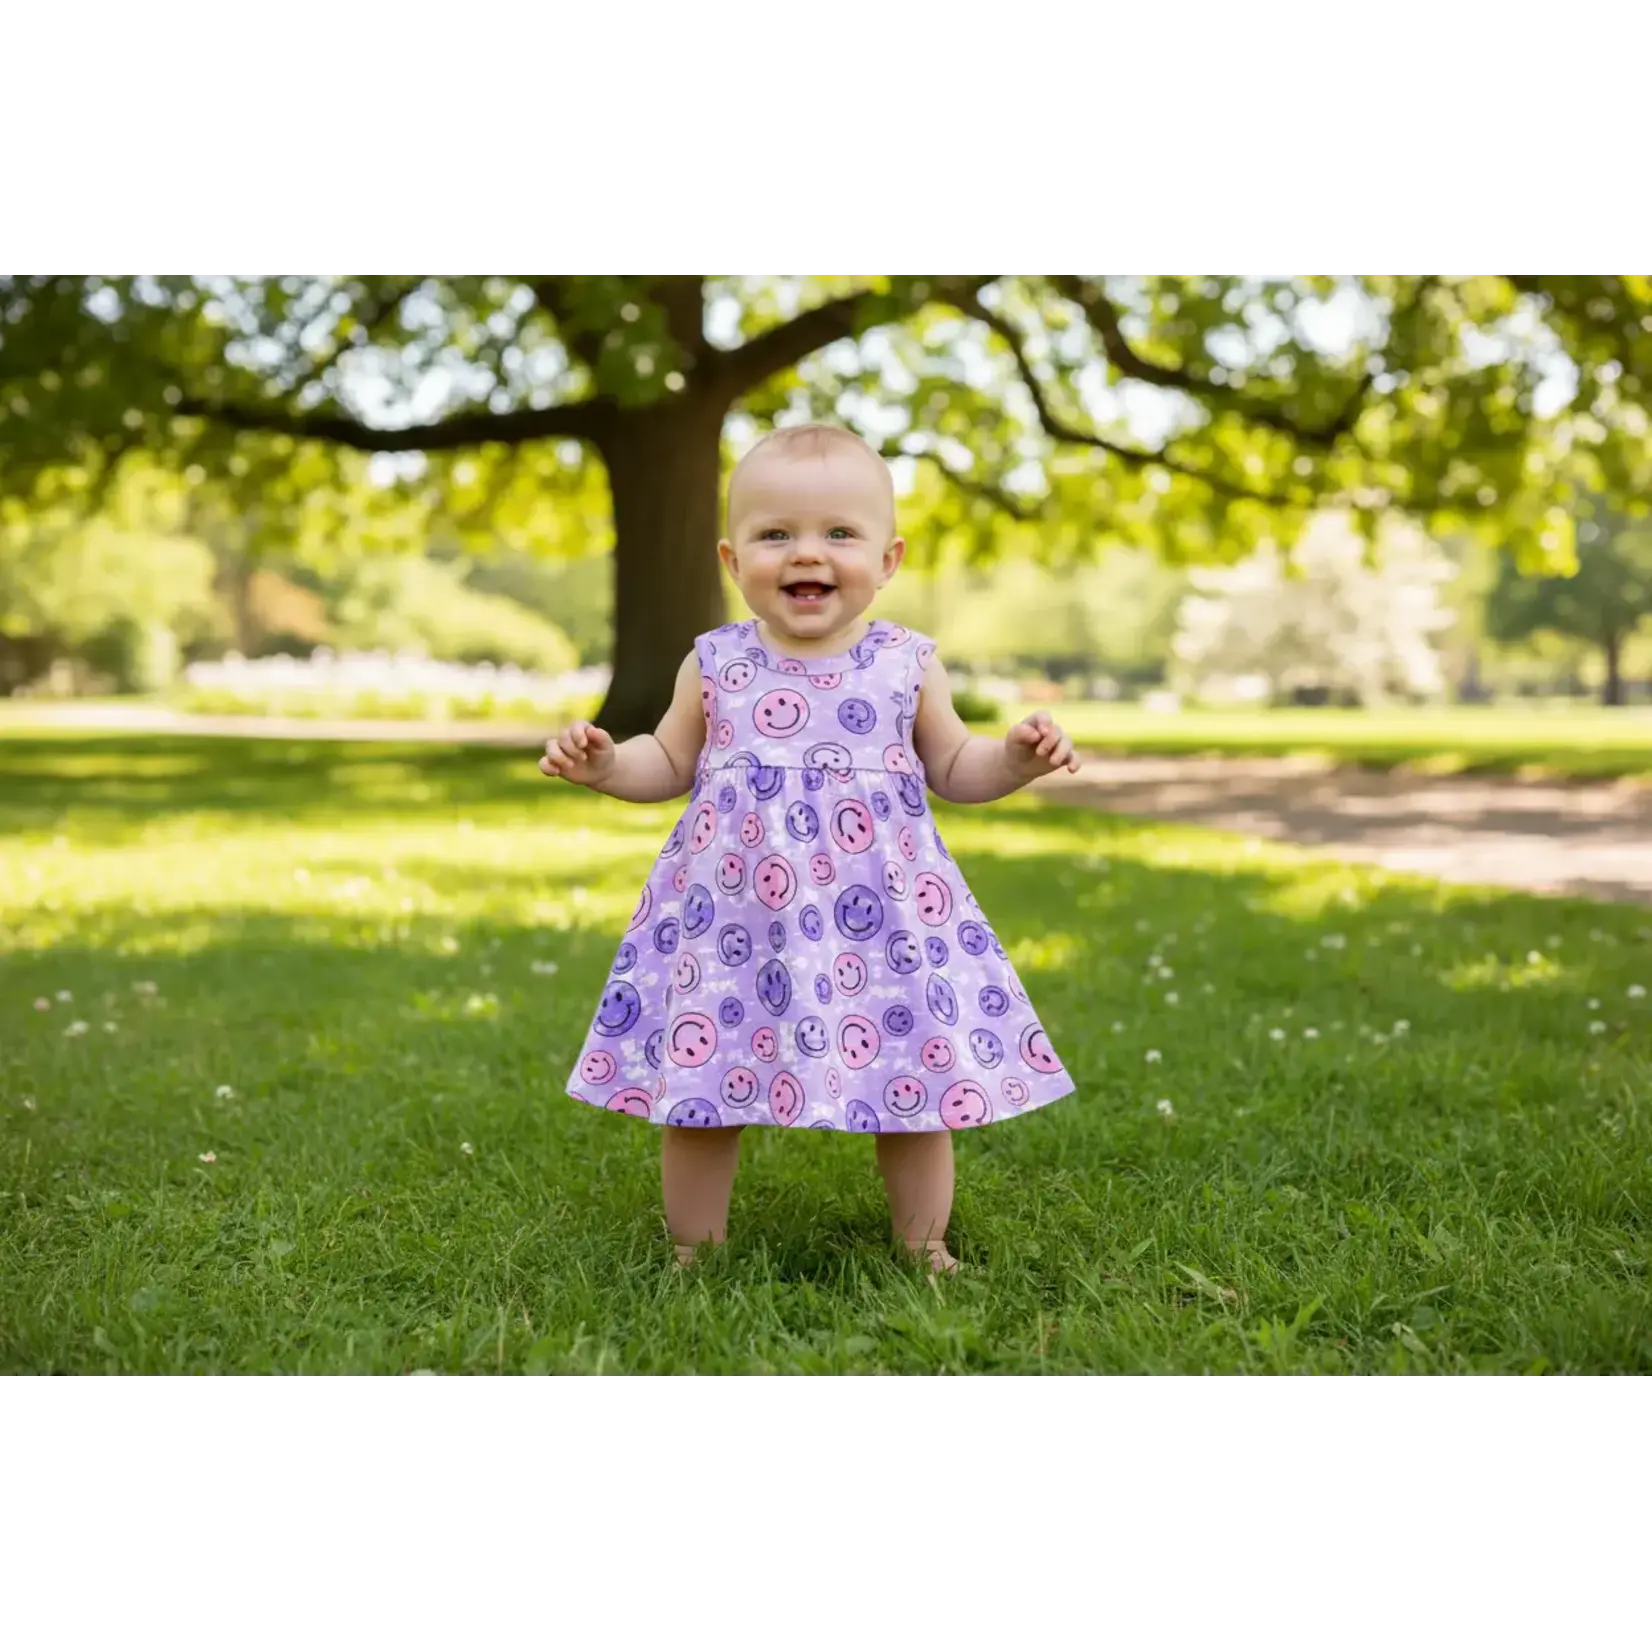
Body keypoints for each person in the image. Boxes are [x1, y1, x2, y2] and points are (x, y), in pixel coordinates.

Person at [542, 424, 1080, 1274]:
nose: (808, 555)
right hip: (734, 926)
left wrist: (1012, 759)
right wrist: (610, 764)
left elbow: (954, 764)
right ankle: (695, 1249)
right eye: (775, 534)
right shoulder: (715, 662)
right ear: (732, 558)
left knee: (916, 1084)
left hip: (883, 926)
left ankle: (923, 1244)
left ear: (889, 557)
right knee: (703, 1086)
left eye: (839, 534)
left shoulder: (906, 662)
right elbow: (670, 760)